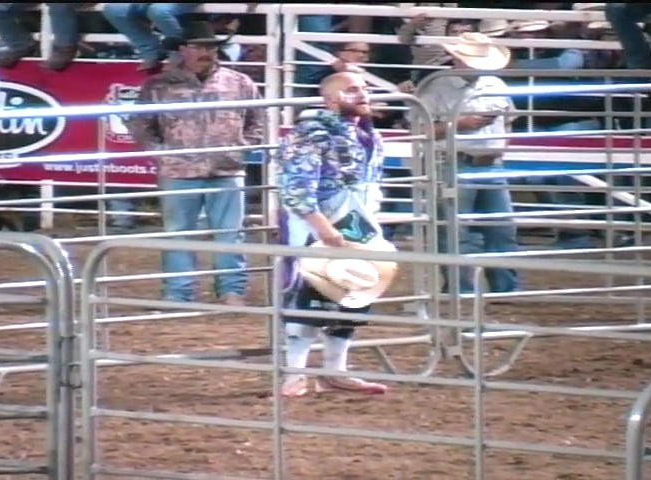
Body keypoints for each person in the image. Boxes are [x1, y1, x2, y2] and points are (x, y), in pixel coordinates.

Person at [127, 21, 263, 306]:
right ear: (183, 49)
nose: (206, 52)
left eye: (211, 47)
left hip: (226, 169)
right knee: (179, 234)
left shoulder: (239, 83)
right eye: (199, 46)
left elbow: (257, 120)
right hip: (179, 171)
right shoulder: (158, 85)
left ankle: (231, 291)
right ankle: (179, 293)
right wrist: (162, 152)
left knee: (230, 233)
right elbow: (141, 124)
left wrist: (241, 148)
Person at [276, 71, 393, 398]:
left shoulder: (366, 134)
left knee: (355, 294)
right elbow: (297, 191)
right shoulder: (310, 134)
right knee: (311, 295)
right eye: (352, 90)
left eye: (364, 88)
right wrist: (326, 232)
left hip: (357, 222)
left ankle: (333, 370)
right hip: (322, 226)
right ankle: (294, 375)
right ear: (330, 100)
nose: (362, 94)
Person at [416, 32, 519, 293]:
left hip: (491, 164)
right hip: (454, 163)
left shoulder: (494, 83)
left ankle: (504, 289)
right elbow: (420, 128)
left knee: (501, 230)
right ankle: (460, 290)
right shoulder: (435, 86)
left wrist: (500, 146)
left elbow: (508, 119)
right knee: (456, 233)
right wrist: (462, 124)